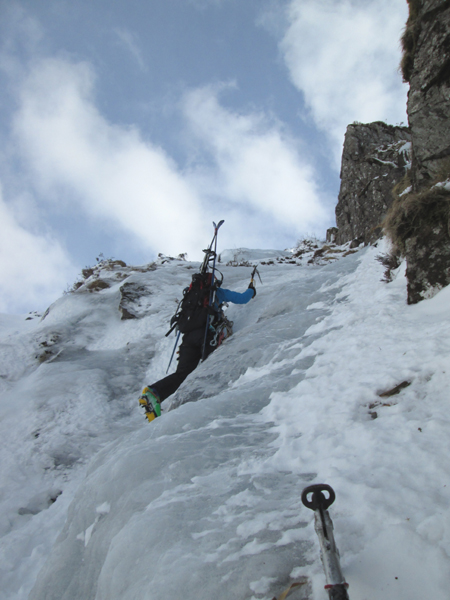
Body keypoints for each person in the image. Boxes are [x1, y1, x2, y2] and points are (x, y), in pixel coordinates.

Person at [139, 276, 256, 421]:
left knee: (182, 374)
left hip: (188, 338)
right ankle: (203, 412)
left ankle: (154, 392)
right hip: (207, 335)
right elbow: (242, 298)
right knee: (209, 369)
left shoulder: (191, 297)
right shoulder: (217, 292)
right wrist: (251, 290)